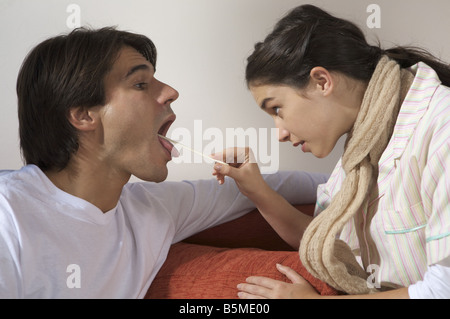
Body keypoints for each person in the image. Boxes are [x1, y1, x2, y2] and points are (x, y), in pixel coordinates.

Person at [0, 27, 328, 298]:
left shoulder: (150, 211)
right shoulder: (9, 215)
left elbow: (257, 186)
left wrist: (355, 183)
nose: (171, 92)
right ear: (84, 114)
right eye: (140, 83)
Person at [212, 4, 450, 299]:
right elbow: (324, 241)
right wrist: (257, 190)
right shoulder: (360, 152)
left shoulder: (441, 127)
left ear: (322, 81)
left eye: (277, 109)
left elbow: (444, 289)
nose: (280, 133)